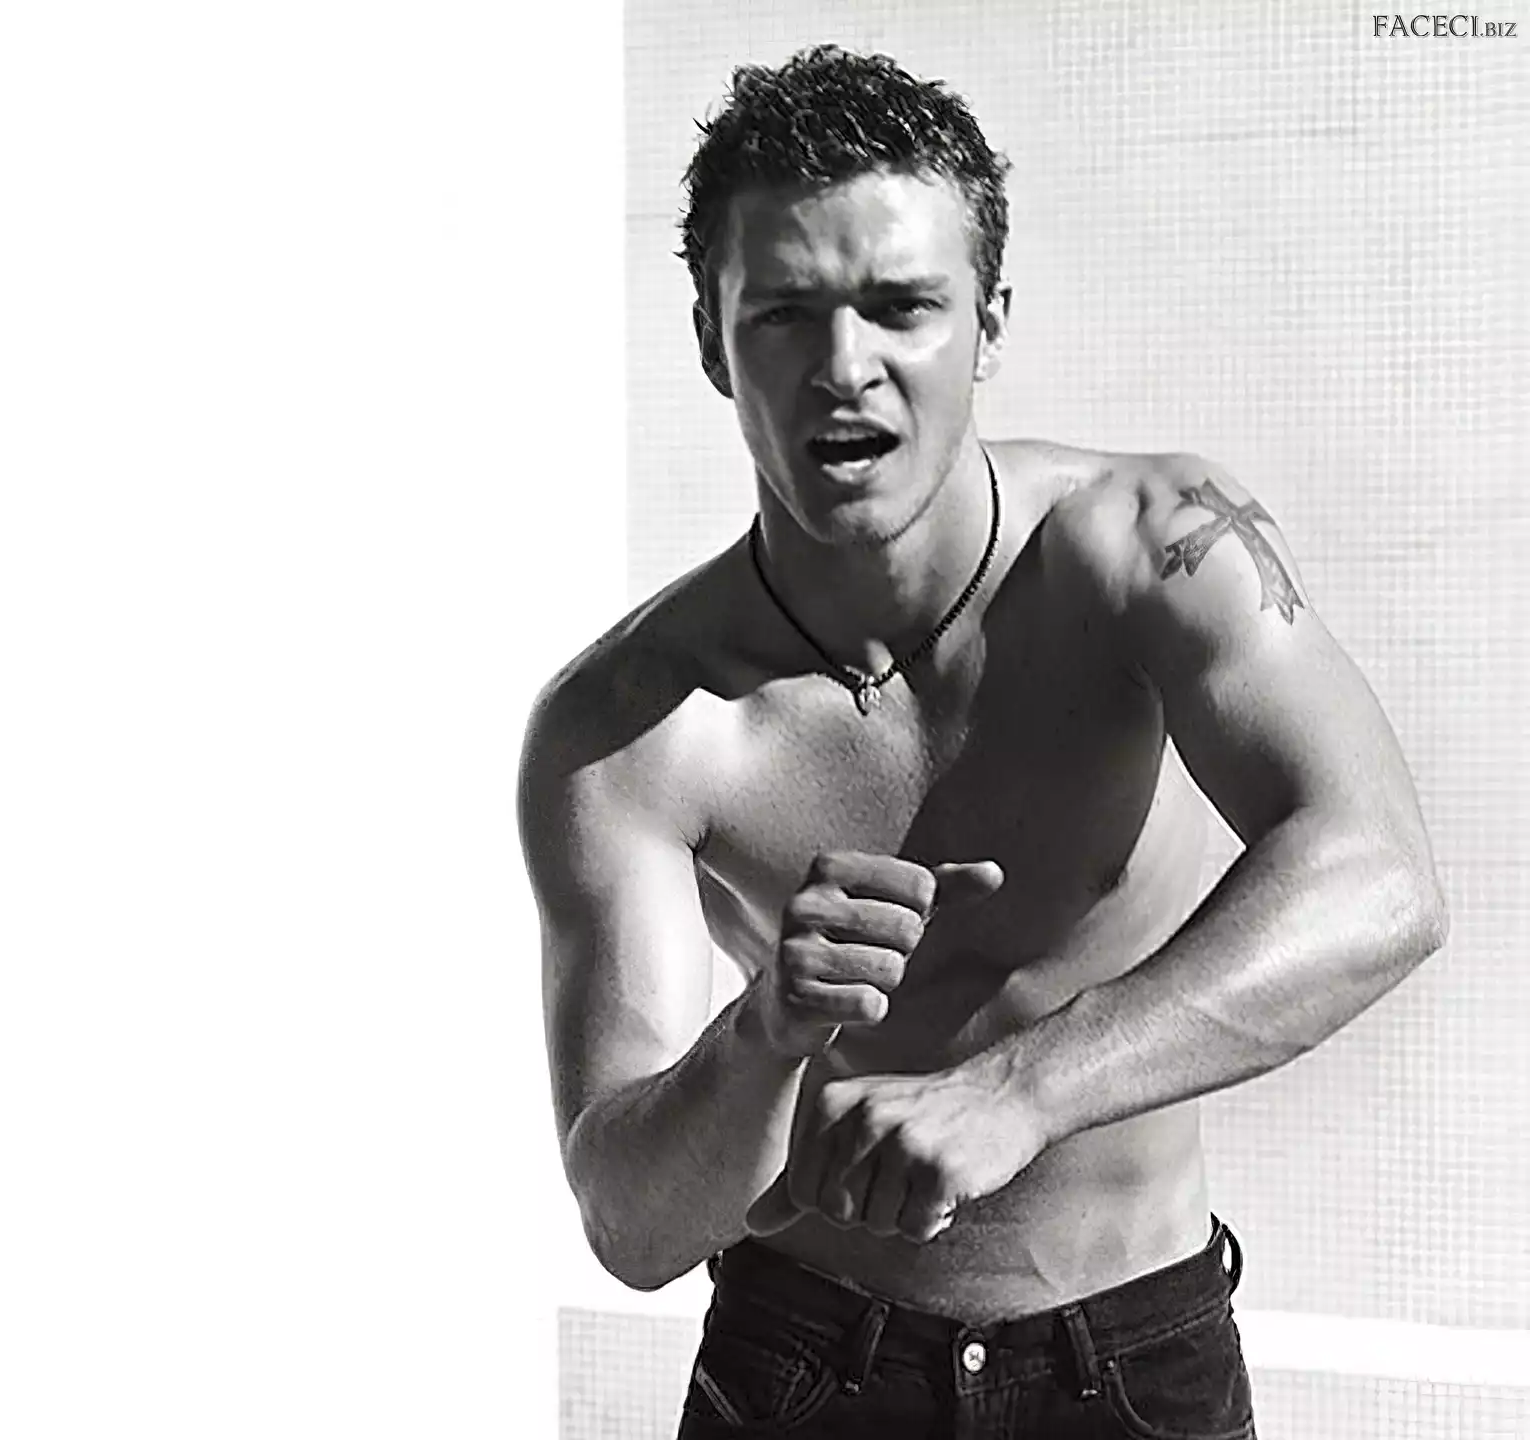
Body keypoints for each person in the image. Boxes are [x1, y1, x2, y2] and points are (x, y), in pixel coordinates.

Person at [517, 43, 1446, 1440]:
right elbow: (634, 1226)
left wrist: (1021, 1090)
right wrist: (765, 1034)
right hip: (805, 1368)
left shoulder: (1153, 551)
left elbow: (1382, 878)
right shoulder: (634, 729)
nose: (846, 369)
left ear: (989, 324)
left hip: (1131, 1361)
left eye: (902, 306)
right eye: (785, 314)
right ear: (712, 340)